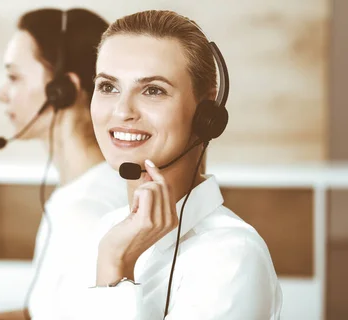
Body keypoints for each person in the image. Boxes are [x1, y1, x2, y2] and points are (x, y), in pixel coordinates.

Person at [70, 10, 282, 319]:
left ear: (206, 113)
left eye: (153, 90)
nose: (121, 110)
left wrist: (116, 266)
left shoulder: (232, 254)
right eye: (108, 87)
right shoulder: (107, 230)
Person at [0, 8, 128, 320]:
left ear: (62, 91)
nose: (1, 94)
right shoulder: (77, 192)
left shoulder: (86, 211)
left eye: (14, 77)